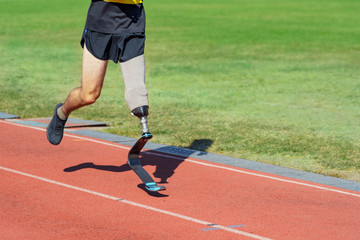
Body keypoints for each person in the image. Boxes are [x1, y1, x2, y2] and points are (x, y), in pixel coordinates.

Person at [47, 0, 151, 145]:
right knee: (89, 95)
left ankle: (144, 128)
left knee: (138, 98)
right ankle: (62, 113)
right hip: (101, 21)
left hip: (132, 22)